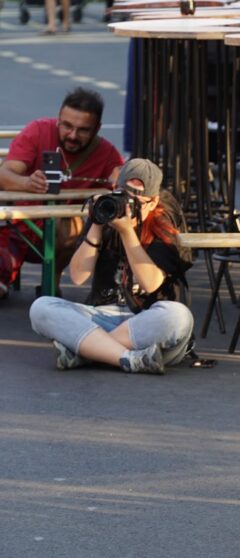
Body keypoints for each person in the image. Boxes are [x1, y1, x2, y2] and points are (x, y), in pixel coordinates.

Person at [29, 159, 194, 374]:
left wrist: (127, 232)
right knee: (41, 307)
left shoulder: (162, 224)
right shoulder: (106, 212)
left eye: (137, 201)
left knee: (178, 316)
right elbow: (78, 276)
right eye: (124, 196)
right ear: (115, 189)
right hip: (102, 316)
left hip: (146, 322)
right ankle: (128, 358)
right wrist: (97, 223)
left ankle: (89, 351)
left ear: (153, 203)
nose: (128, 207)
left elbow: (151, 284)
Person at [0, 87, 124, 301]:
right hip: (19, 230)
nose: (73, 135)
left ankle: (55, 282)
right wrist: (27, 183)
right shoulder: (38, 131)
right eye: (67, 126)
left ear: (97, 129)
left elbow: (123, 185)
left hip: (68, 240)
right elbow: (4, 175)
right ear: (58, 119)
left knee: (81, 224)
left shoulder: (107, 153)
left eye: (83, 130)